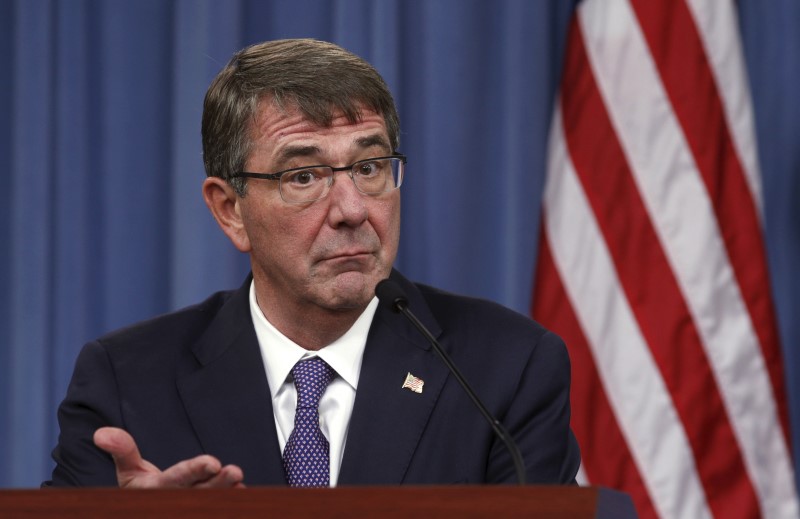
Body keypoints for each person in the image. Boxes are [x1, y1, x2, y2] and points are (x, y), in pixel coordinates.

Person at [45, 38, 580, 488]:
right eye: (303, 177)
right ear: (230, 210)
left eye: (370, 167)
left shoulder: (506, 370)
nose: (352, 210)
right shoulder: (126, 384)